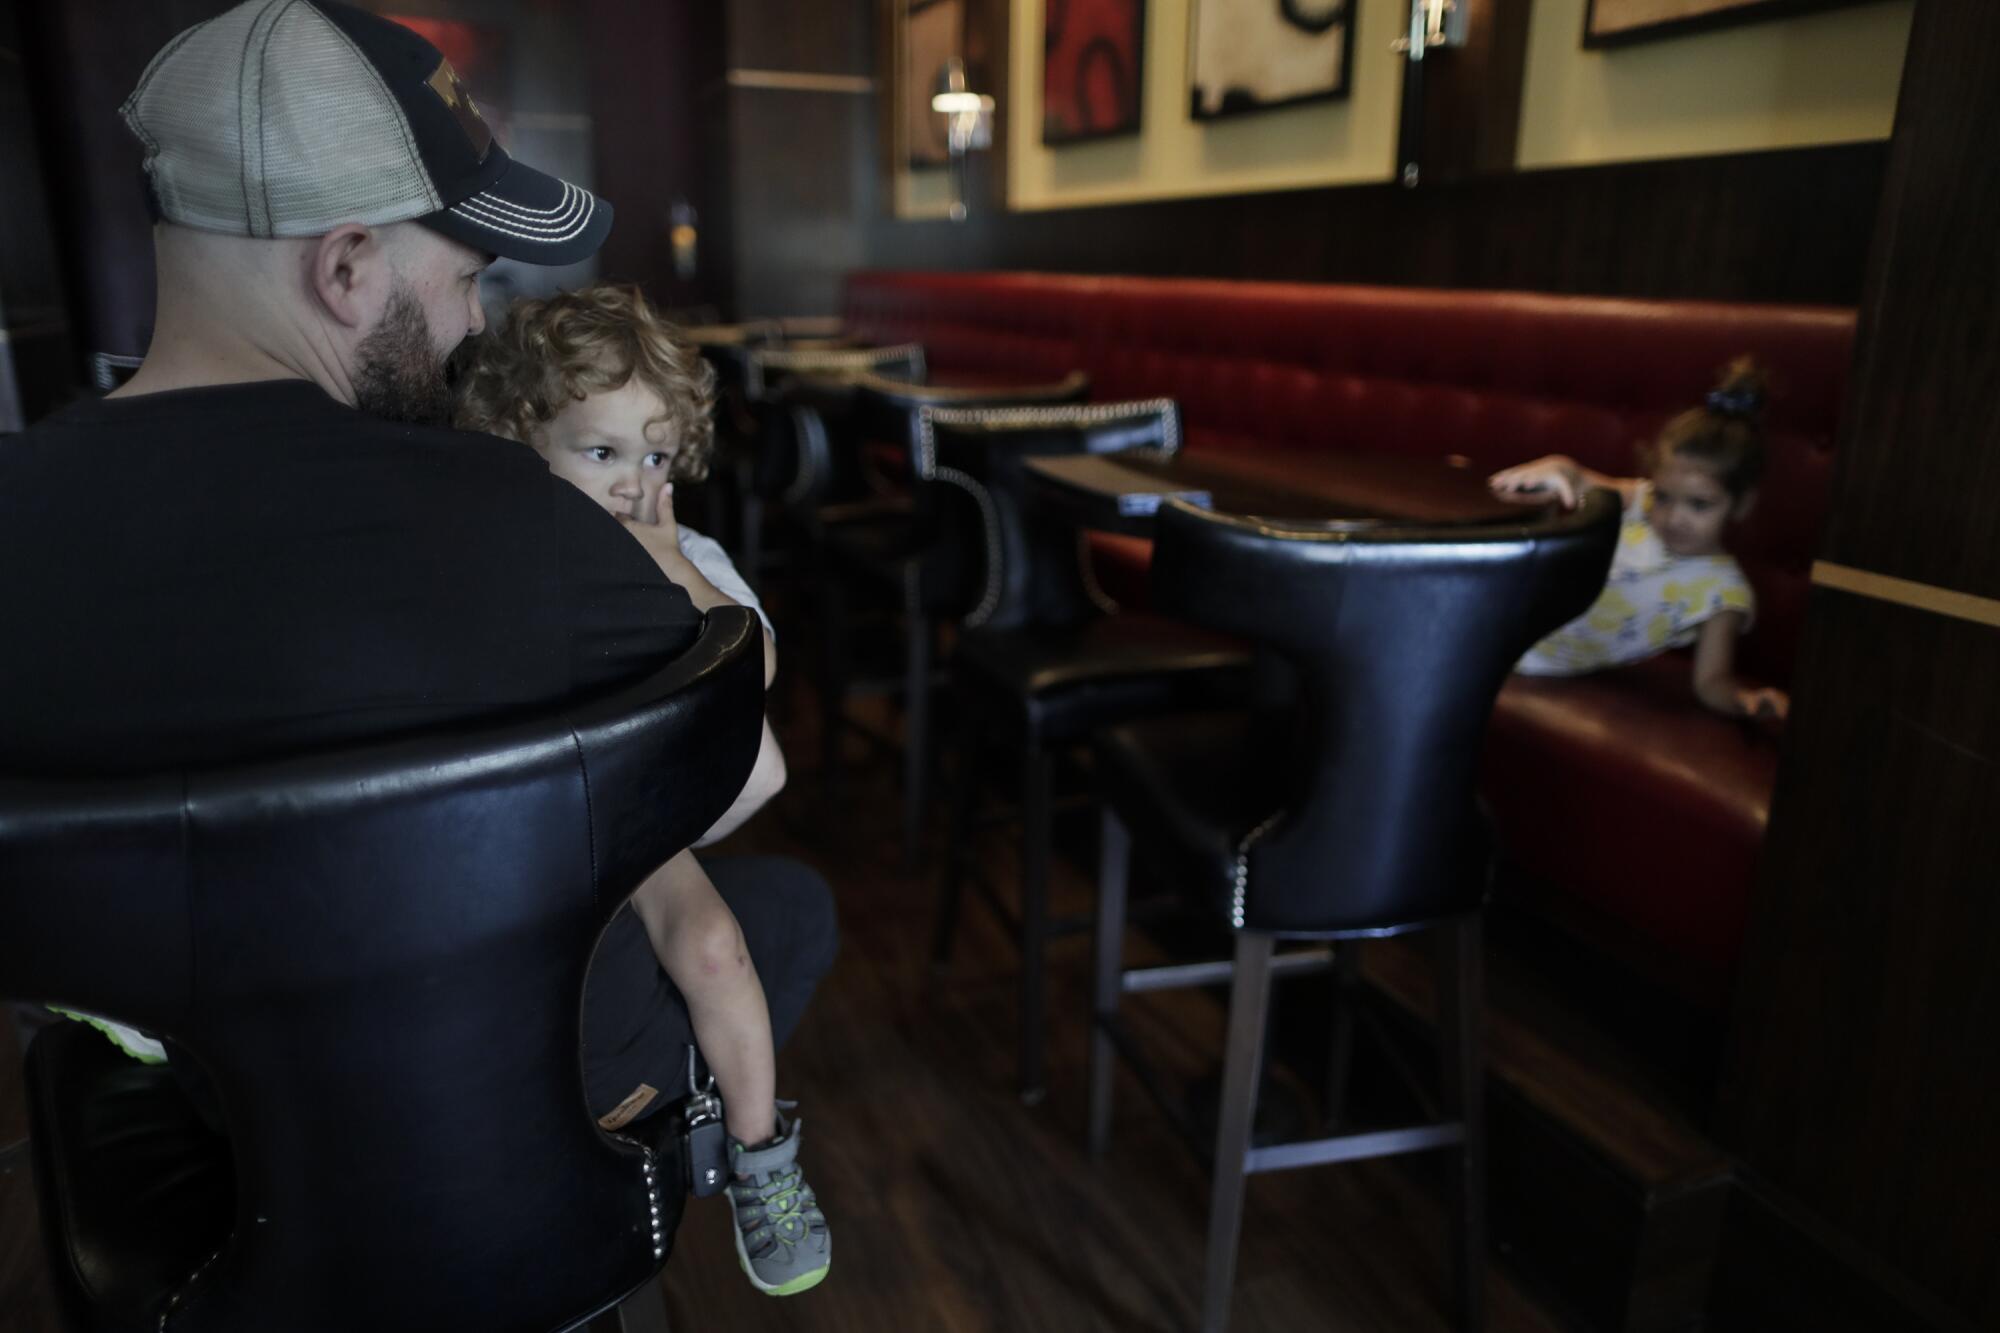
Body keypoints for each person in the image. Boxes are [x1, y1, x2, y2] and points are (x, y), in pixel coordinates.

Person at [0, 0, 836, 1294]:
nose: (465, 328)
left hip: (232, 1164)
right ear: (346, 269)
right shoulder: (526, 525)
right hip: (513, 1146)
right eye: (462, 276)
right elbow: (746, 775)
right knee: (781, 909)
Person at [455, 283, 832, 1296]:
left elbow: (749, 674)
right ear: (520, 437)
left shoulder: (683, 554)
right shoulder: (495, 551)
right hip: (520, 836)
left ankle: (757, 1154)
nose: (632, 484)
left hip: (645, 824)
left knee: (714, 947)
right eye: (601, 452)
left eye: (655, 456)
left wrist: (672, 572)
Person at [1488, 358, 1790, 721]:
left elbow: (1712, 683)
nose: (1674, 516)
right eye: (1664, 496)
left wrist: (1747, 702)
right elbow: (1582, 482)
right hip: (1508, 614)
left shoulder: (1723, 593)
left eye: (1699, 505)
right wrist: (1558, 468)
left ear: (1741, 504)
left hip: (1536, 660)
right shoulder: (1642, 502)